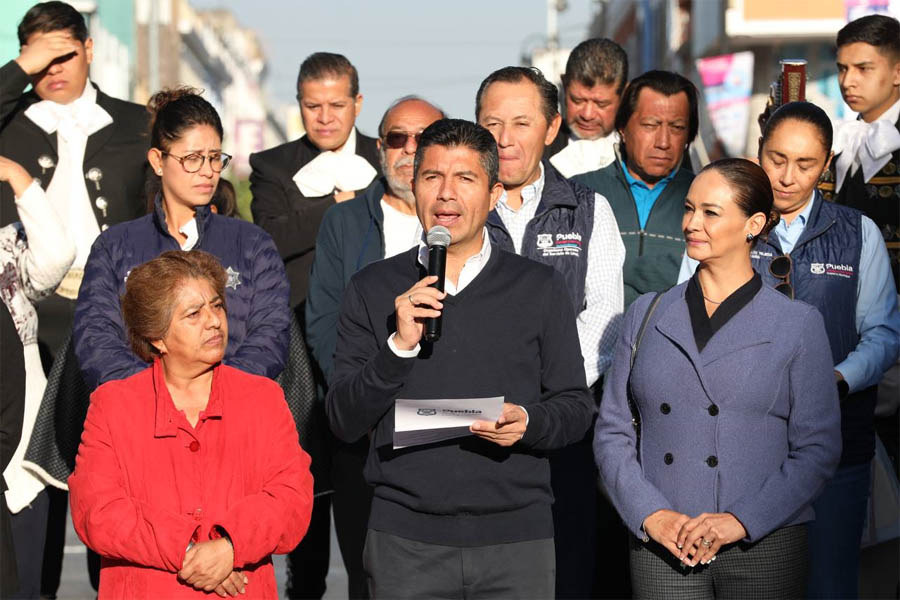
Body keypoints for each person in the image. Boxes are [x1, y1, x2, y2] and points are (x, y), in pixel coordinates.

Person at [326, 118, 594, 599]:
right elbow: (343, 419)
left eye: (465, 179)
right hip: (404, 541)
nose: (446, 195)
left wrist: (528, 422)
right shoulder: (372, 288)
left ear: (493, 194)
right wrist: (398, 347)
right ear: (413, 187)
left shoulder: (539, 288)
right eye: (432, 178)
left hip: (516, 541)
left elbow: (575, 408)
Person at [680, 101, 900, 598]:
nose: (787, 176)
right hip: (739, 452)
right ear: (759, 152)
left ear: (827, 164)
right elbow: (687, 316)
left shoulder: (856, 233)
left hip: (834, 449)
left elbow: (884, 332)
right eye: (776, 159)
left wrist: (837, 378)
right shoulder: (719, 221)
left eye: (805, 164)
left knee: (828, 584)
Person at [597, 157, 842, 598]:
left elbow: (818, 447)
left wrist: (741, 521)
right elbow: (613, 430)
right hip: (663, 544)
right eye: (689, 209)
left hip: (764, 543)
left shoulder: (796, 323)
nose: (692, 223)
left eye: (711, 212)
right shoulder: (647, 313)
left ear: (754, 224)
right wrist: (651, 514)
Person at [69, 250, 314, 598]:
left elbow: (292, 498)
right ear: (156, 337)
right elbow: (97, 511)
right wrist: (189, 553)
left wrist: (231, 546)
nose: (214, 321)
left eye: (217, 306)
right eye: (194, 314)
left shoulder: (262, 398)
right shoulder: (113, 405)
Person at [475, 65, 624, 598]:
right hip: (478, 427)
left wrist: (543, 394)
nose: (505, 138)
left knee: (567, 572)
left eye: (521, 122)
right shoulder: (454, 215)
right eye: (492, 123)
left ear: (552, 126)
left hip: (565, 425)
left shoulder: (588, 211)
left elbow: (605, 314)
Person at [303, 95, 443, 600]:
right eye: (397, 139)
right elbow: (322, 323)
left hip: (443, 427)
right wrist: (361, 398)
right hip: (362, 430)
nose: (409, 150)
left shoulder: (466, 222)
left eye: (423, 138)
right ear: (380, 147)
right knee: (369, 576)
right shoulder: (344, 223)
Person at [73, 87, 289, 390]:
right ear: (158, 161)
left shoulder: (253, 244)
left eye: (215, 158)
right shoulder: (114, 247)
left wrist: (213, 393)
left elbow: (270, 335)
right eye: (192, 158)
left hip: (232, 413)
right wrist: (156, 395)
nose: (207, 171)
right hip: (138, 416)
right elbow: (96, 339)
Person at [250, 52, 381, 314]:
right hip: (297, 321)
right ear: (299, 104)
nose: (324, 118)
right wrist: (340, 204)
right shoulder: (272, 165)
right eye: (313, 106)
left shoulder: (385, 161)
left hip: (376, 316)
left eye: (336, 105)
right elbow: (273, 239)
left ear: (357, 104)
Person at [0, 155, 75, 599]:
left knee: (27, 582)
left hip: (22, 428)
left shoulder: (8, 242)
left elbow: (56, 259)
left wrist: (16, 176)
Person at [575, 70, 698, 308]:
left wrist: (615, 272)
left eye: (677, 127)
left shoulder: (706, 198)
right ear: (622, 127)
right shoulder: (580, 193)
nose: (663, 142)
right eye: (650, 125)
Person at [545, 38, 629, 178]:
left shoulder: (640, 153)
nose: (587, 115)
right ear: (565, 85)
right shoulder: (539, 148)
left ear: (624, 94)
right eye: (577, 100)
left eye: (601, 104)